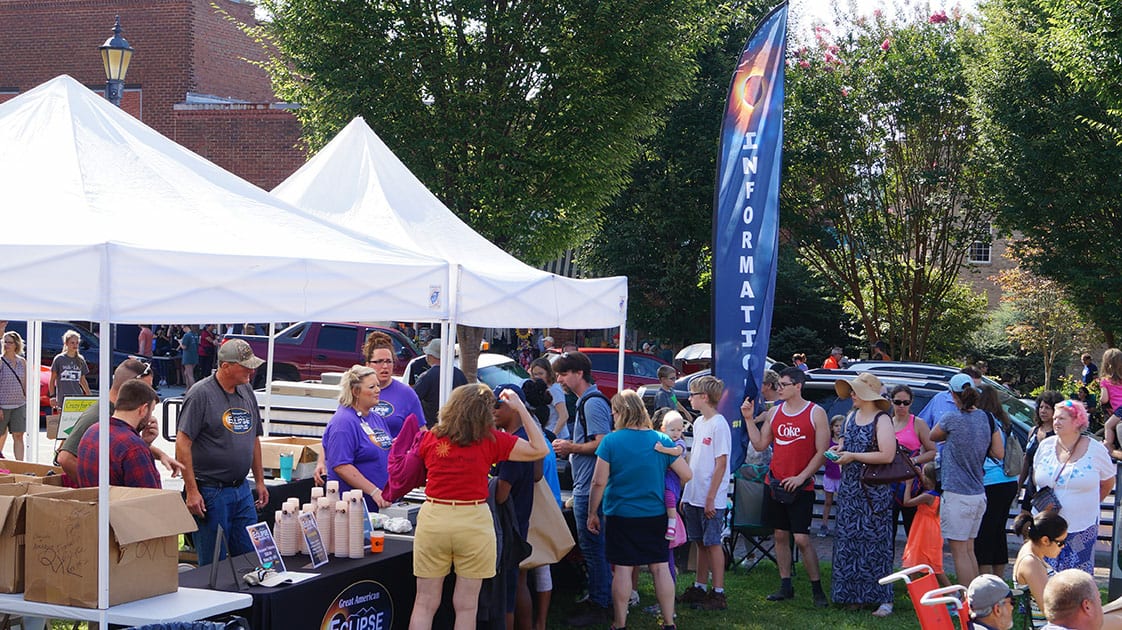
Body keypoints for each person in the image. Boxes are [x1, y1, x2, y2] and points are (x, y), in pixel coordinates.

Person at [408, 384, 549, 630]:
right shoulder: (491, 441)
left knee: (425, 602)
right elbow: (541, 449)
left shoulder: (431, 437)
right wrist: (520, 408)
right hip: (473, 520)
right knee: (466, 605)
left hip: (434, 517)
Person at [588, 390, 691, 629]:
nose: (612, 417)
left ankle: (620, 622)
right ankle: (668, 622)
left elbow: (599, 481)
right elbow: (686, 474)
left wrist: (593, 512)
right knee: (660, 567)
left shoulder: (611, 441)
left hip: (620, 513)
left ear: (621, 412)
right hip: (655, 513)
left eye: (614, 412)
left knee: (623, 569)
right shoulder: (662, 441)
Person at [175, 339, 269, 565]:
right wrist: (192, 491)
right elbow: (182, 443)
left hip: (242, 489)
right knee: (212, 564)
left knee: (251, 558)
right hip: (211, 491)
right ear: (225, 366)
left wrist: (260, 481)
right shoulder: (201, 394)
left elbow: (254, 438)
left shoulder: (246, 390)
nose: (252, 370)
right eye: (245, 365)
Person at [742, 367, 830, 607]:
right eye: (778, 384)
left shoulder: (816, 412)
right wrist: (749, 419)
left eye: (783, 384)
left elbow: (823, 452)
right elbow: (760, 445)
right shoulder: (775, 412)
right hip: (777, 483)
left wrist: (801, 477)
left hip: (802, 486)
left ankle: (817, 589)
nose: (778, 388)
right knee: (780, 535)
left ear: (798, 386)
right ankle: (785, 585)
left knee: (801, 538)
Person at [551, 351, 613, 627]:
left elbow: (603, 443)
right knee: (592, 549)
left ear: (578, 373)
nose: (559, 380)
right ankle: (597, 598)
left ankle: (599, 604)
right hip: (586, 485)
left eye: (563, 374)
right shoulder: (586, 401)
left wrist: (570, 447)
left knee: (593, 549)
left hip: (591, 488)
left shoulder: (591, 403)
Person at [829, 372, 897, 617]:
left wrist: (854, 456)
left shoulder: (882, 419)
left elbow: (887, 455)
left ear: (867, 395)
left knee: (876, 544)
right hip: (850, 489)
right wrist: (840, 450)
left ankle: (883, 599)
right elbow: (846, 445)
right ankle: (853, 596)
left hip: (873, 492)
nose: (851, 396)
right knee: (850, 543)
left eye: (855, 391)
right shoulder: (850, 417)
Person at [930, 373, 1003, 586]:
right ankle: (976, 598)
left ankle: (966, 601)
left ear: (953, 395)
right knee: (969, 549)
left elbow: (933, 436)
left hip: (956, 493)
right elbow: (999, 452)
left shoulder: (951, 418)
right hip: (979, 493)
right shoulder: (988, 418)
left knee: (959, 552)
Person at [57, 358, 181, 481]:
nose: (150, 393)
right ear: (129, 387)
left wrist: (159, 454)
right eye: (146, 387)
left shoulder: (119, 411)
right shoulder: (99, 415)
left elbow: (124, 449)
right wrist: (99, 491)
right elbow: (65, 458)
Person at [1032, 400, 1113, 574]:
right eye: (1055, 418)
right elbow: (1036, 476)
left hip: (1080, 528)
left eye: (1061, 418)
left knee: (1075, 580)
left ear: (1077, 421)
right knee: (1044, 577)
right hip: (1047, 528)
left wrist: (1088, 502)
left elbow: (1107, 482)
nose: (1056, 422)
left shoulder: (1096, 449)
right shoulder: (1045, 446)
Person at [674, 375, 731, 611]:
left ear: (704, 397)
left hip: (711, 497)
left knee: (713, 542)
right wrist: (686, 493)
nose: (690, 399)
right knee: (699, 542)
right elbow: (695, 460)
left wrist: (710, 497)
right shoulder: (698, 423)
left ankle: (718, 592)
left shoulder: (719, 424)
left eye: (693, 395)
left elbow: (720, 463)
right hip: (694, 493)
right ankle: (699, 585)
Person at [492, 383, 542, 630]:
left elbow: (501, 494)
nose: (493, 410)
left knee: (505, 597)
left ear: (514, 409)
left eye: (498, 406)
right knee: (516, 584)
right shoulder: (529, 440)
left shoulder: (513, 445)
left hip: (507, 527)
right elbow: (537, 474)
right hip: (520, 522)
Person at [323, 365, 393, 512]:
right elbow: (341, 466)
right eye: (372, 387)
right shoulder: (343, 422)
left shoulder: (376, 418)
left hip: (380, 504)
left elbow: (382, 448)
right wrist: (374, 491)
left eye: (378, 386)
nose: (378, 390)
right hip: (352, 508)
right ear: (355, 391)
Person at [75, 379, 163, 489]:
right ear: (143, 409)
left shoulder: (92, 431)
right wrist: (142, 446)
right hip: (119, 505)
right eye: (151, 410)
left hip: (94, 503)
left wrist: (144, 443)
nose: (151, 417)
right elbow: (151, 495)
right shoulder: (133, 447)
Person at [975, 384, 1021, 578]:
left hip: (990, 481)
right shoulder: (1003, 420)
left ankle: (985, 577)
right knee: (998, 531)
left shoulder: (985, 421)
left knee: (984, 532)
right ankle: (999, 577)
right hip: (1008, 480)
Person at [888, 384, 937, 546]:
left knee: (913, 531)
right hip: (888, 483)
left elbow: (932, 451)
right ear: (891, 402)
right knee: (888, 531)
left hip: (912, 484)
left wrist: (914, 460)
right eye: (898, 402)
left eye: (906, 402)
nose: (902, 406)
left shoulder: (918, 423)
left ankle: (916, 567)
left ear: (911, 403)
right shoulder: (886, 422)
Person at [1013, 511, 1069, 628]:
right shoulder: (1031, 563)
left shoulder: (1032, 551)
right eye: (1060, 542)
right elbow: (1048, 609)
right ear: (1045, 540)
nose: (1063, 546)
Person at [363, 331, 425, 437]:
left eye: (389, 361)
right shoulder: (358, 392)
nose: (385, 366)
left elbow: (421, 432)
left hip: (395, 452)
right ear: (368, 364)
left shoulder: (406, 394)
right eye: (379, 361)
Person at [902, 463, 950, 587]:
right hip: (930, 529)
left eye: (923, 474)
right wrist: (919, 473)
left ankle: (952, 591)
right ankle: (918, 589)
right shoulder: (938, 493)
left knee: (931, 564)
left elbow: (907, 502)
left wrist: (908, 485)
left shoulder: (927, 496)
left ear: (928, 478)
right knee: (919, 560)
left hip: (924, 531)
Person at [1021, 391, 1066, 512]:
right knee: (1024, 523)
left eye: (1047, 408)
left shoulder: (1060, 434)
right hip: (1031, 487)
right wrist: (1019, 485)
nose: (1043, 411)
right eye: (1041, 407)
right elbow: (1027, 460)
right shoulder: (1033, 431)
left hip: (1050, 491)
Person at [412, 339, 467, 428]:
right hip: (456, 427)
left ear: (431, 355)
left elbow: (413, 398)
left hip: (433, 427)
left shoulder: (427, 376)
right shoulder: (459, 374)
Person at [0, 331, 28, 460]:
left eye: (9, 342)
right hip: (3, 405)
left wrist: (26, 400)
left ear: (16, 344)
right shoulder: (1, 361)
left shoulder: (22, 362)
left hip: (19, 404)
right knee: (0, 435)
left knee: (18, 435)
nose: (6, 345)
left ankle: (20, 465)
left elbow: (25, 382)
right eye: (5, 342)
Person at [48, 329, 90, 411]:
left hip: (77, 399)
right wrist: (52, 396)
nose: (75, 345)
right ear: (66, 343)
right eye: (72, 343)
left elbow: (82, 380)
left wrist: (89, 394)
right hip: (63, 399)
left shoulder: (80, 360)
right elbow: (52, 380)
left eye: (77, 343)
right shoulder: (59, 359)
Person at [528, 357, 569, 439]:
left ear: (548, 373)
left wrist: (552, 435)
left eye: (541, 373)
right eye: (535, 374)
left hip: (558, 436)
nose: (538, 377)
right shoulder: (540, 388)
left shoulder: (554, 389)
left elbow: (564, 416)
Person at [818, 415, 843, 537]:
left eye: (841, 426)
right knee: (828, 501)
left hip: (841, 477)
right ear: (832, 428)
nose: (838, 428)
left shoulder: (846, 442)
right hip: (829, 475)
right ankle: (824, 525)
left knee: (842, 502)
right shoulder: (828, 441)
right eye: (836, 426)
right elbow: (823, 456)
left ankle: (841, 525)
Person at [178, 324, 199, 390]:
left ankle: (193, 390)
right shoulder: (195, 335)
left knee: (190, 374)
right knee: (186, 373)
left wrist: (180, 342)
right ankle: (188, 389)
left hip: (188, 356)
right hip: (194, 355)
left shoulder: (187, 335)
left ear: (186, 327)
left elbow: (184, 347)